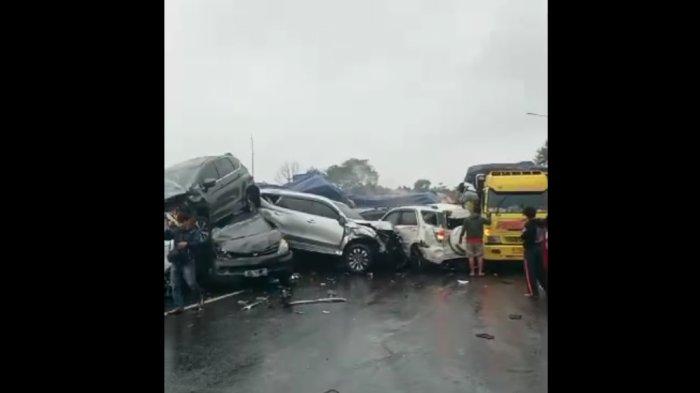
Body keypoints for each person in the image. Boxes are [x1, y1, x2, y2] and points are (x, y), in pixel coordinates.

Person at [165, 205, 207, 314]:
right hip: (176, 259)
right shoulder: (176, 230)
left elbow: (199, 243)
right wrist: (167, 227)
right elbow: (167, 235)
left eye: (183, 222)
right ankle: (179, 306)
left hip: (187, 259)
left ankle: (200, 295)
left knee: (191, 283)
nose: (182, 224)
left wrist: (187, 244)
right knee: (174, 284)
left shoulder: (194, 231)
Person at [521, 207, 546, 298]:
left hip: (530, 249)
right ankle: (545, 287)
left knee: (530, 271)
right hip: (540, 247)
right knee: (541, 270)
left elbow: (524, 236)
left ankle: (533, 292)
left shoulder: (528, 224)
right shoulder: (541, 223)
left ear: (526, 215)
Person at [459, 205, 491, 276]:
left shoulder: (466, 220)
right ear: (479, 212)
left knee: (471, 257)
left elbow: (463, 230)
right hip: (479, 240)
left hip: (469, 241)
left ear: (472, 211)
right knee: (479, 256)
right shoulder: (481, 219)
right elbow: (489, 222)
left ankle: (472, 272)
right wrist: (489, 216)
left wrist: (460, 239)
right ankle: (480, 272)